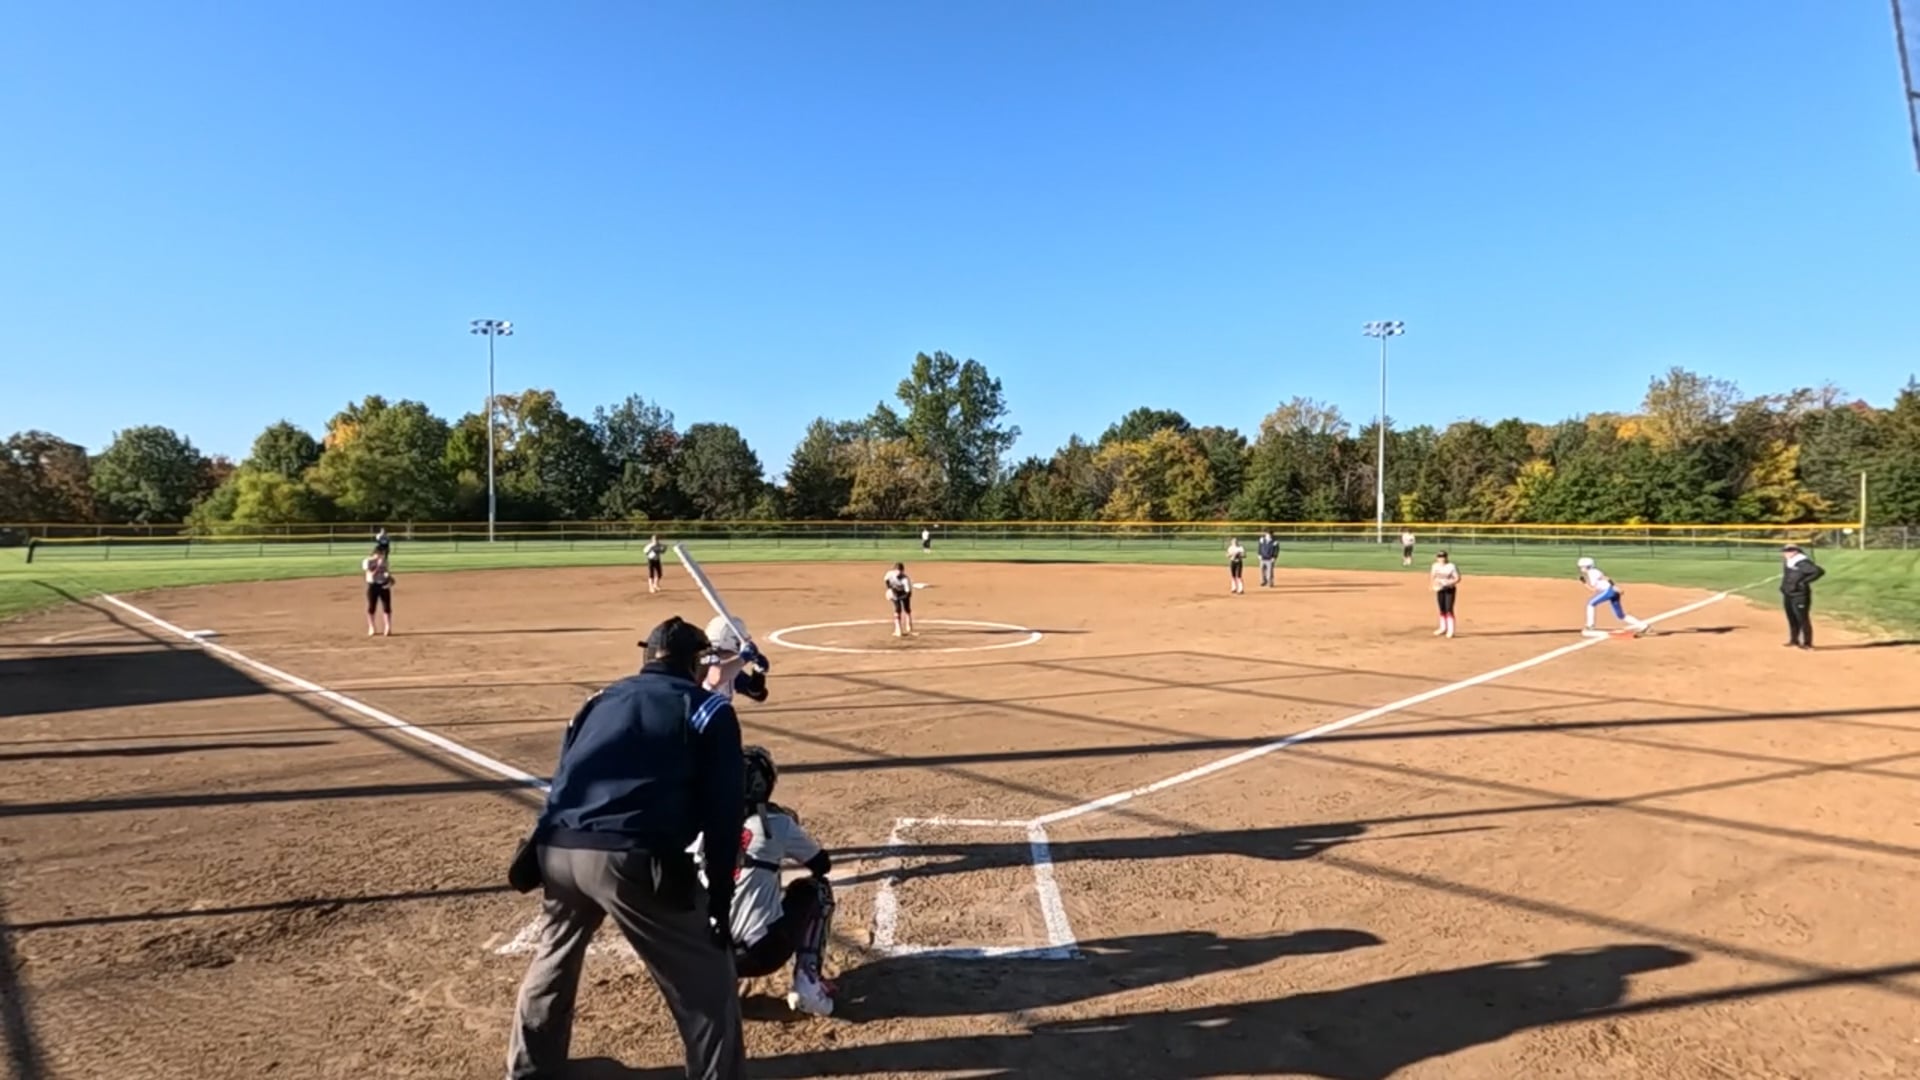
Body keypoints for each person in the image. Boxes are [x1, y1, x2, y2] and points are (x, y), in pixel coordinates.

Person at [506, 616, 748, 1080]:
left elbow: (565, 777)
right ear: (696, 663)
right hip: (631, 856)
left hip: (559, 847)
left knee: (554, 958)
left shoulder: (597, 700)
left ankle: (530, 1070)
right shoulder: (707, 709)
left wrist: (541, 842)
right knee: (707, 977)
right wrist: (720, 895)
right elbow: (724, 809)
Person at [705, 746, 838, 1017]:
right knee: (817, 890)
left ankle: (706, 988)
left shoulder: (701, 824)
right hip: (763, 953)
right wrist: (780, 839)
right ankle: (808, 983)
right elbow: (821, 865)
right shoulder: (776, 823)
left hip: (703, 956)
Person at [702, 615, 770, 703]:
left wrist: (758, 673)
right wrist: (743, 658)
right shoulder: (702, 663)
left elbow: (757, 694)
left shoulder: (729, 666)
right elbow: (716, 676)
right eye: (739, 642)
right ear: (728, 641)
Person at [1576, 556, 1649, 636]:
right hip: (1611, 592)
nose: (1580, 569)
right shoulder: (1590, 574)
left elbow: (1606, 578)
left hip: (1609, 591)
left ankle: (1590, 626)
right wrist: (1584, 582)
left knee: (1591, 604)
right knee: (1620, 615)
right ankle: (1644, 626)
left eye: (1581, 567)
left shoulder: (1594, 572)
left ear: (1587, 566)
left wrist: (1614, 586)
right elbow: (1593, 590)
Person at [1780, 544, 1826, 650]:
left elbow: (1818, 571)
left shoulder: (1803, 562)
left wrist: (1804, 582)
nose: (1785, 553)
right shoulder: (1788, 562)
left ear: (1795, 552)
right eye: (1785, 551)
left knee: (1802, 618)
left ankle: (1807, 643)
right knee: (1791, 618)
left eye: (1788, 551)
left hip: (1799, 595)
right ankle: (1794, 640)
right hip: (1788, 594)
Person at [362, 546, 394, 637]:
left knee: (387, 607)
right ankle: (371, 627)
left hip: (383, 585)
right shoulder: (367, 561)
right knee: (372, 607)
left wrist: (389, 578)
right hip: (373, 585)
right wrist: (378, 566)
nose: (382, 556)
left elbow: (386, 572)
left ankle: (388, 627)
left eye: (383, 554)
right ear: (375, 553)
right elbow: (371, 574)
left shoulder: (385, 561)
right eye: (381, 554)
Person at [1430, 550, 1460, 638]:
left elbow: (1458, 578)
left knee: (1449, 609)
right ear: (1437, 558)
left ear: (1446, 557)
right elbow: (1432, 576)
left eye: (1443, 557)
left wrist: (1448, 583)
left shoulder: (1451, 566)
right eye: (1440, 557)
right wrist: (1433, 584)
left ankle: (1451, 631)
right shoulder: (1435, 566)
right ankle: (1443, 628)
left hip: (1449, 589)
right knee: (1442, 609)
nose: (1442, 559)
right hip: (1440, 589)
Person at [884, 563, 915, 636]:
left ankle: (909, 625)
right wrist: (889, 589)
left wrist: (899, 598)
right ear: (894, 570)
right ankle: (898, 629)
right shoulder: (889, 574)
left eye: (900, 571)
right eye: (897, 571)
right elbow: (887, 581)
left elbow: (908, 594)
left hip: (904, 593)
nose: (898, 573)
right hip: (895, 592)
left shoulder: (905, 579)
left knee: (907, 609)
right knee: (898, 609)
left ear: (903, 571)